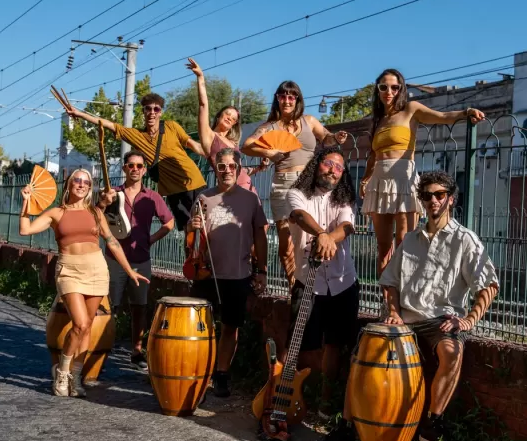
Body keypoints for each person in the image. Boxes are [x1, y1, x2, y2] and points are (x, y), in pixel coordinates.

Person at [313, 171, 498, 441]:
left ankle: (432, 426)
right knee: (360, 352)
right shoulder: (411, 239)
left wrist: (468, 319)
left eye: (439, 195)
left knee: (451, 354)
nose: (433, 200)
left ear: (451, 199)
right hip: (404, 320)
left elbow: (488, 284)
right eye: (427, 196)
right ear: (422, 201)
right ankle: (349, 429)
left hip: (440, 320)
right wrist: (393, 312)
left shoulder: (465, 240)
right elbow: (389, 282)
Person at [19, 169, 150, 397]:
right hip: (69, 270)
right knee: (79, 324)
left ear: (90, 187)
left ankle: (76, 376)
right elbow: (25, 229)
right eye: (77, 180)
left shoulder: (95, 213)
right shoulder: (56, 213)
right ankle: (62, 372)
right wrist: (26, 203)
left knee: (87, 326)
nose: (81, 184)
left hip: (97, 269)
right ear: (69, 184)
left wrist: (130, 271)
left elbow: (112, 242)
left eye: (86, 182)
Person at [359, 68, 485, 277]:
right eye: (383, 87)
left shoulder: (411, 109)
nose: (388, 91)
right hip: (380, 182)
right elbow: (373, 155)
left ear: (401, 89)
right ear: (378, 90)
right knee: (382, 248)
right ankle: (386, 302)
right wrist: (364, 180)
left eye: (394, 87)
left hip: (403, 179)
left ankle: (403, 297)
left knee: (404, 244)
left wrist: (466, 113)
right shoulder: (378, 120)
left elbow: (442, 116)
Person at [242, 81, 348, 291]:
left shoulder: (308, 121)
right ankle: (294, 287)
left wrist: (335, 137)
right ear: (278, 99)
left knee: (311, 236)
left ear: (298, 100)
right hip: (283, 183)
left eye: (292, 97)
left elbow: (326, 138)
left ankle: (316, 285)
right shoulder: (269, 126)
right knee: (286, 241)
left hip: (309, 183)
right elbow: (246, 146)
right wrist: (269, 153)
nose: (287, 100)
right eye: (283, 96)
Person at [187, 148, 268, 398]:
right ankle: (198, 373)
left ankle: (221, 374)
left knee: (231, 327)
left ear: (239, 168)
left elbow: (260, 236)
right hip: (207, 273)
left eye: (232, 166)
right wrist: (191, 226)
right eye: (222, 167)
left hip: (238, 274)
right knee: (200, 329)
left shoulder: (251, 199)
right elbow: (190, 240)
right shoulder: (203, 198)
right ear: (216, 169)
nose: (227, 171)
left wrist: (262, 270)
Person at [285, 147, 359, 421]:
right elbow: (301, 216)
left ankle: (326, 404)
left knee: (336, 345)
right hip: (308, 281)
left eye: (339, 168)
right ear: (317, 165)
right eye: (329, 164)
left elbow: (348, 226)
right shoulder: (297, 193)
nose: (333, 170)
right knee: (300, 344)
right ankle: (297, 396)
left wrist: (327, 238)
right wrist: (321, 234)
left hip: (343, 281)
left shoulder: (344, 199)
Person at [60, 93, 207, 231]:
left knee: (206, 225)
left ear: (160, 112)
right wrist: (79, 114)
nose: (152, 112)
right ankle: (192, 259)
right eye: (148, 109)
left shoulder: (171, 126)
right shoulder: (137, 136)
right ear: (143, 111)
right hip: (172, 191)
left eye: (156, 109)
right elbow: (109, 125)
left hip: (193, 181)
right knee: (189, 229)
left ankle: (208, 257)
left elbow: (192, 144)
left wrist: (209, 155)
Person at [97, 151, 174, 371]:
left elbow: (168, 223)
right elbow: (96, 216)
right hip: (114, 259)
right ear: (124, 168)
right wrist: (103, 203)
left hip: (141, 259)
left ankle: (137, 352)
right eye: (131, 165)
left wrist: (150, 240)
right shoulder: (112, 194)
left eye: (139, 166)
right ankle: (102, 347)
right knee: (109, 306)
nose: (135, 169)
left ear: (144, 170)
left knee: (139, 308)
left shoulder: (153, 197)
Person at [186, 57, 270, 191]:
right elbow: (203, 105)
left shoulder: (233, 143)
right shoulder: (209, 136)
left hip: (249, 189)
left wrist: (259, 168)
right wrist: (201, 77)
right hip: (231, 192)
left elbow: (240, 171)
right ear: (219, 116)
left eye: (233, 118)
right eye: (227, 114)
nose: (230, 118)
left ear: (234, 124)